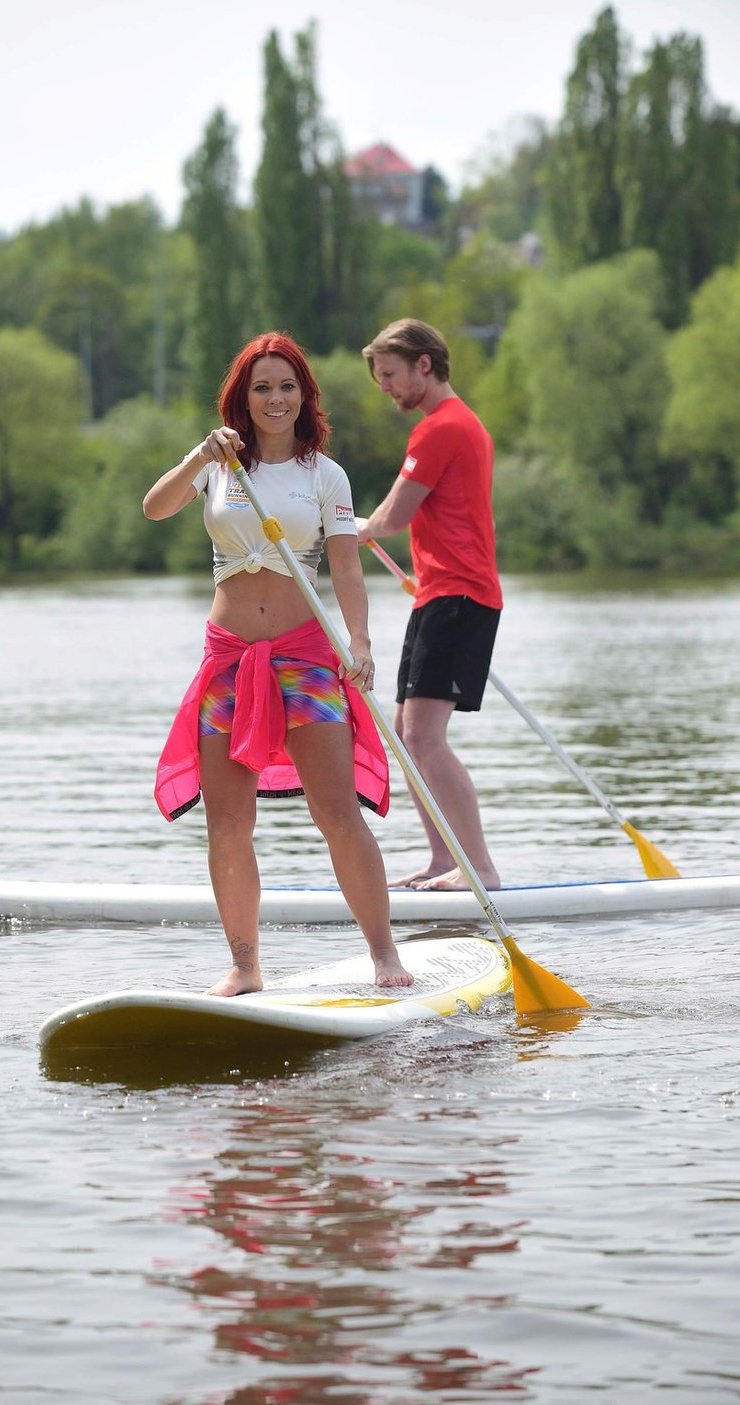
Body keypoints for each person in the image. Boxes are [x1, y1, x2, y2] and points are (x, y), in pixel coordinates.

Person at [143, 332, 413, 996]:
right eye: (262, 386)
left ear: (304, 395)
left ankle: (383, 953)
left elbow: (346, 565)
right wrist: (198, 456)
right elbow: (156, 507)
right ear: (244, 396)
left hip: (305, 655)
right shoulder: (219, 462)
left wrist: (361, 641)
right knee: (228, 822)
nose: (275, 398)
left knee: (336, 811)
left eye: (286, 386)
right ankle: (245, 964)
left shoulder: (325, 473)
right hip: (228, 658)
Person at [356, 318, 502, 893]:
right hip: (440, 594)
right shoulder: (453, 425)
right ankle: (445, 859)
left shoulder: (442, 429)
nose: (385, 388)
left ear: (424, 364)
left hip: (460, 597)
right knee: (406, 731)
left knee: (422, 736)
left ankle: (480, 869)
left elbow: (390, 519)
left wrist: (339, 529)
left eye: (389, 375)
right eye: (379, 379)